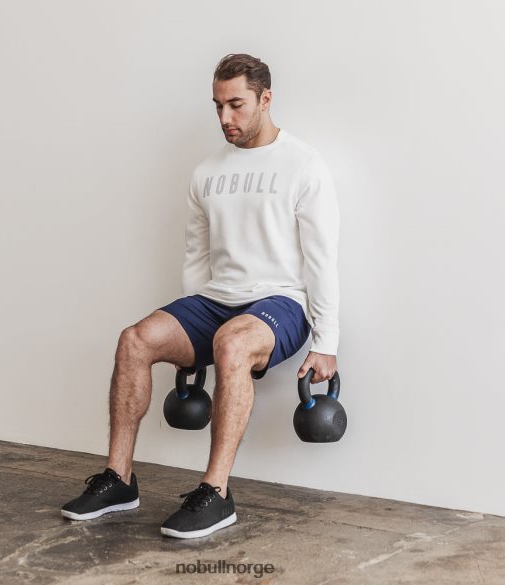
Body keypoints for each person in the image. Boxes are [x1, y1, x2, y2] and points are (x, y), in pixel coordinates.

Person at [61, 53, 340, 539]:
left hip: (281, 302)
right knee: (134, 340)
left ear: (265, 99)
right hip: (215, 299)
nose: (225, 117)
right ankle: (118, 479)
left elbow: (321, 258)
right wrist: (190, 340)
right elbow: (196, 256)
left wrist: (326, 341)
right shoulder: (206, 172)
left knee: (232, 342)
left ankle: (215, 492)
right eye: (217, 106)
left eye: (236, 105)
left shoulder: (304, 164)